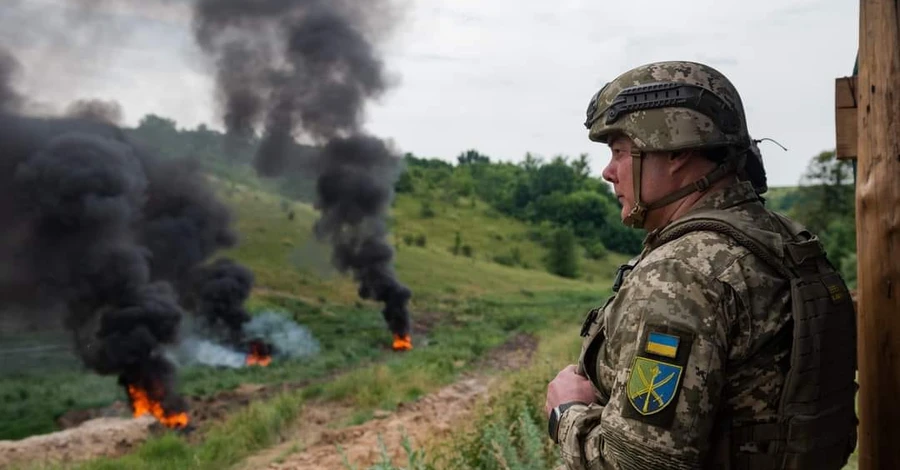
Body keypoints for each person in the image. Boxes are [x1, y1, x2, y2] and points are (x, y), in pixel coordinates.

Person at [544, 61, 858, 470]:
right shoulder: (782, 240)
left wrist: (565, 415)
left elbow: (640, 463)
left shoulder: (684, 273)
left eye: (619, 150)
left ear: (676, 151)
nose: (608, 172)